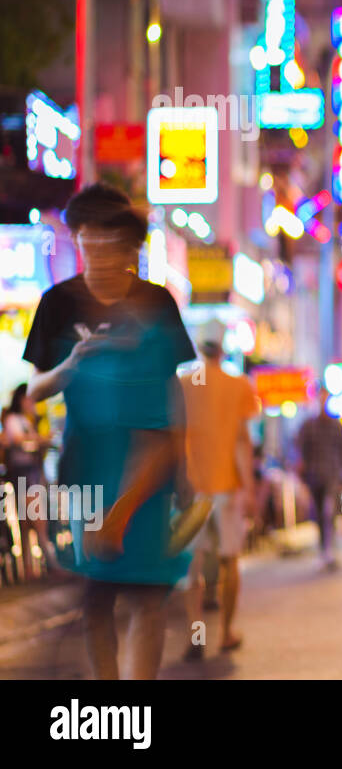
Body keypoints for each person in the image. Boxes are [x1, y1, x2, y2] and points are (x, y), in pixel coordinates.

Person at [21, 183, 196, 679]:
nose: (97, 247)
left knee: (147, 594)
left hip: (151, 462)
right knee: (96, 597)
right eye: (87, 236)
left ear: (130, 246)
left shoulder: (156, 303)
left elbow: (172, 389)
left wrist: (183, 464)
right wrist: (71, 365)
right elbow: (34, 390)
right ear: (76, 238)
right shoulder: (58, 302)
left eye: (109, 237)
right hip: (86, 465)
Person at [180, 318, 258, 660]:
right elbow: (243, 442)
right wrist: (250, 488)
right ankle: (225, 633)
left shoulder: (184, 384)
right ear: (223, 348)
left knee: (191, 568)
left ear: (199, 346)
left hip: (192, 488)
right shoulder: (238, 385)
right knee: (229, 561)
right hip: (227, 486)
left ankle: (196, 633)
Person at [2, 384, 59, 580]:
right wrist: (41, 440)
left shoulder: (26, 420)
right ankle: (51, 564)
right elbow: (19, 441)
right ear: (21, 399)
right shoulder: (14, 420)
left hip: (29, 474)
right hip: (24, 475)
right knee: (36, 519)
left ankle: (29, 569)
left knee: (27, 522)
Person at [297, 388, 342, 570]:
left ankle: (331, 548)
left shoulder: (335, 425)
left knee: (331, 512)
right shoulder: (308, 426)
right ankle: (324, 549)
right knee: (320, 514)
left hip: (332, 475)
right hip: (314, 476)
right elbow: (301, 452)